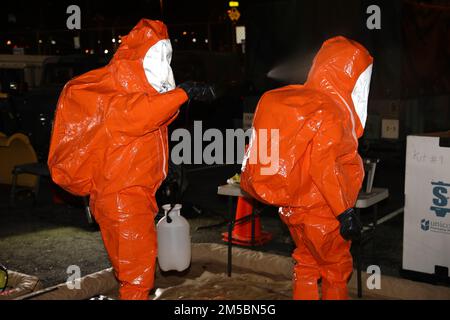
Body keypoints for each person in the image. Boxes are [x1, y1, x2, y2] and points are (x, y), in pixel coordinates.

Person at [48, 19, 212, 300]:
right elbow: (138, 116)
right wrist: (184, 92)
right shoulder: (117, 100)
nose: (164, 63)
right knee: (137, 276)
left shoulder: (133, 96)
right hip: (122, 198)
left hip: (130, 194)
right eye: (158, 55)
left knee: (133, 271)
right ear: (138, 59)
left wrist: (162, 167)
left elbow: (143, 134)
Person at [240, 36, 373, 300]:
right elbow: (324, 167)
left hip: (293, 209)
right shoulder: (330, 112)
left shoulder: (297, 103)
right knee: (335, 269)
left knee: (306, 264)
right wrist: (344, 212)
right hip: (323, 211)